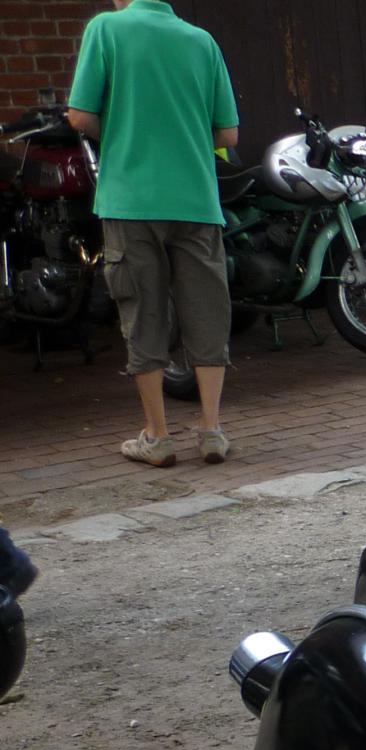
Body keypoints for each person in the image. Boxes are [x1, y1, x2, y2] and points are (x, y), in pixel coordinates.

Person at [64, 0, 237, 468]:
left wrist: (124, 132)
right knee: (206, 309)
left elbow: (79, 117)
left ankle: (157, 437)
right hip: (196, 200)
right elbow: (228, 134)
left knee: (142, 310)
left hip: (131, 199)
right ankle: (211, 430)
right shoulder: (202, 41)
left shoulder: (106, 28)